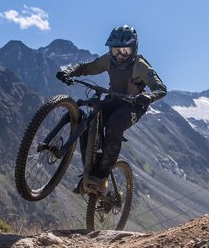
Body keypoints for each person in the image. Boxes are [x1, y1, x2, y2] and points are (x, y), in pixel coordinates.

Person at [55, 25, 167, 193]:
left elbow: (161, 88)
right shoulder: (108, 60)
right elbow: (87, 67)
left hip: (133, 106)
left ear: (134, 49)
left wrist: (149, 97)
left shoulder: (141, 66)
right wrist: (69, 71)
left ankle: (101, 175)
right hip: (114, 100)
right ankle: (89, 172)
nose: (120, 56)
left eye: (125, 51)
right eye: (116, 51)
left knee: (114, 125)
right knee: (89, 122)